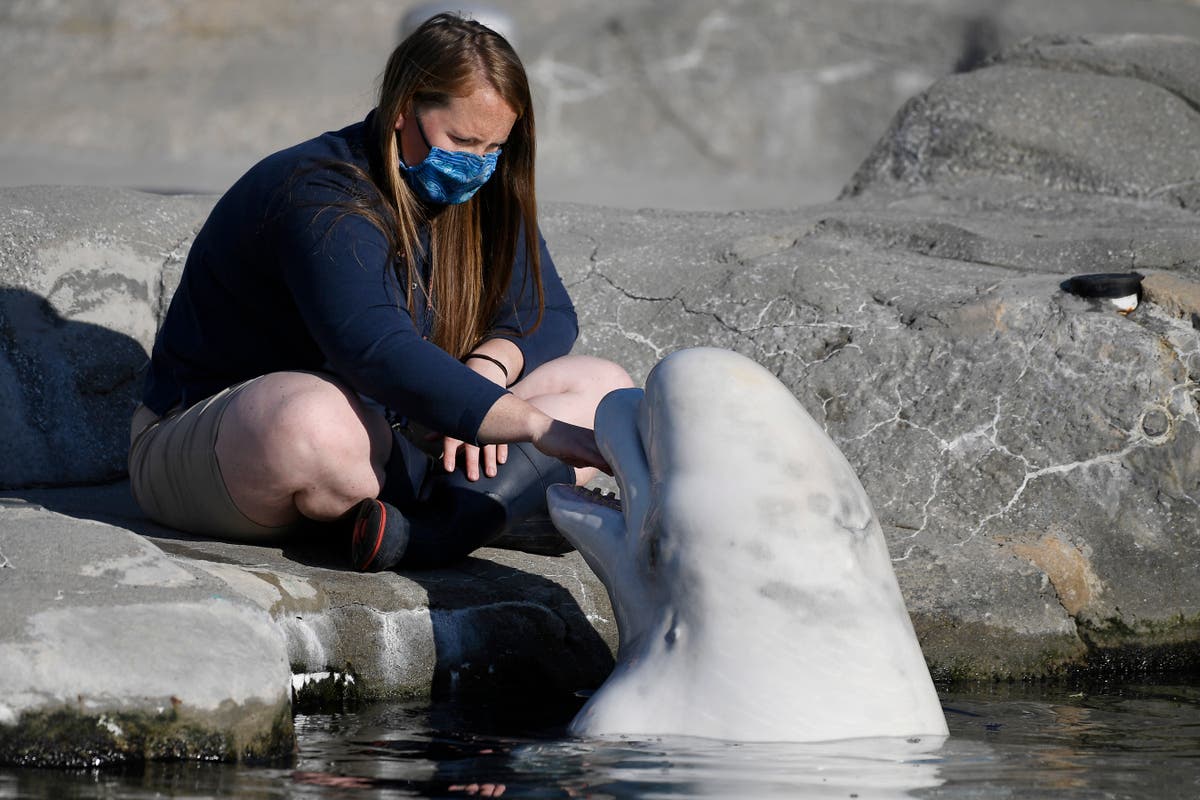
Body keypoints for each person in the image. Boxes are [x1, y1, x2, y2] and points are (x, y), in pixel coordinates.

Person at [127, 13, 632, 572]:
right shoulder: (319, 190)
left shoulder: (483, 186)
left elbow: (546, 311)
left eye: (494, 147)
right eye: (461, 140)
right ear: (402, 109)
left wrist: (485, 374)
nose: (476, 166)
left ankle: (429, 529)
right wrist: (532, 426)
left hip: (398, 434)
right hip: (234, 437)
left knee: (602, 387)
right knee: (314, 422)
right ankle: (490, 509)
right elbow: (373, 349)